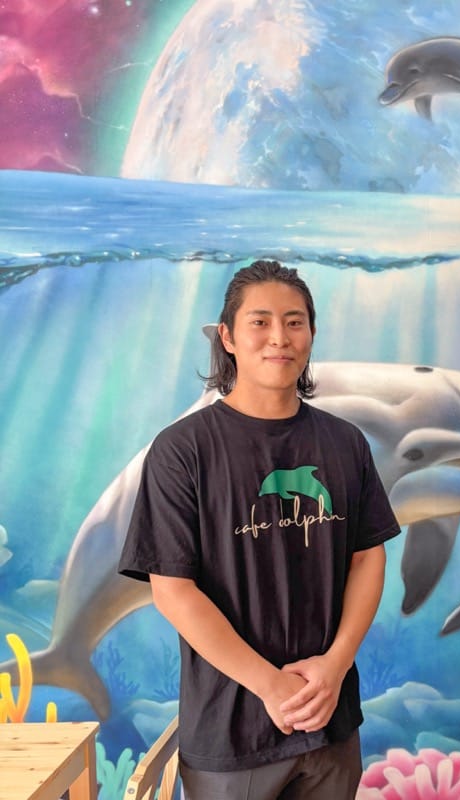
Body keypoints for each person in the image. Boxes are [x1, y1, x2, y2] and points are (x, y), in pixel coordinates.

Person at [119, 259, 400, 800]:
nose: (279, 337)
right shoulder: (182, 450)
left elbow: (368, 557)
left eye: (295, 322)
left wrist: (336, 665)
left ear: (311, 334)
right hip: (230, 734)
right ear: (227, 337)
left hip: (330, 721)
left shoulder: (345, 443)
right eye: (260, 322)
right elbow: (173, 591)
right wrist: (271, 686)